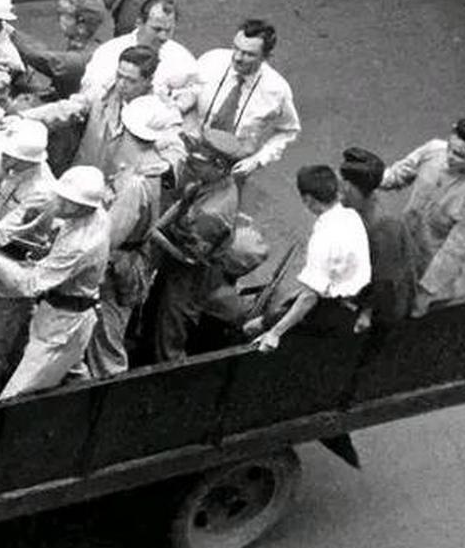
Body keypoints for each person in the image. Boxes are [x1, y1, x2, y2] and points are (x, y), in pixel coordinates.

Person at [0, 165, 114, 398]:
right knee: (73, 373)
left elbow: (29, 285)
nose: (58, 203)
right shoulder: (95, 216)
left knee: (15, 396)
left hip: (62, 325)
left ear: (85, 207)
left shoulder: (81, 244)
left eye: (67, 202)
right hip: (68, 314)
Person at [90, 94, 179, 377]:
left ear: (127, 129)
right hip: (136, 256)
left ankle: (109, 387)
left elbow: (111, 236)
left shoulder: (136, 183)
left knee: (107, 334)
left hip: (120, 263)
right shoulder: (156, 166)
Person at [0, 116, 56, 396]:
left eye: (9, 156)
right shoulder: (14, 169)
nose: (3, 158)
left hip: (15, 270)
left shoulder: (41, 192)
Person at [247, 165, 370, 351]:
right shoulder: (352, 217)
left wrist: (275, 332)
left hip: (327, 312)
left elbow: (309, 298)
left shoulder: (323, 237)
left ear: (308, 200)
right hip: (352, 303)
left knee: (252, 328)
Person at [381, 119, 465, 314]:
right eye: (450, 148)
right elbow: (397, 175)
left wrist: (426, 293)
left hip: (432, 272)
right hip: (402, 255)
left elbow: (454, 251)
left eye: (459, 155)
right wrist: (370, 178)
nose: (449, 157)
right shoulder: (433, 150)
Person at [144, 138, 240, 361]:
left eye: (198, 162)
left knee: (171, 326)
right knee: (155, 311)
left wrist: (154, 234)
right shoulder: (214, 182)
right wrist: (159, 225)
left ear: (220, 166)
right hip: (181, 253)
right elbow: (184, 201)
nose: (191, 165)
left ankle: (169, 371)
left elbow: (188, 258)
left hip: (190, 274)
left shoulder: (212, 213)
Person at [25, 43, 169, 176]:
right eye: (119, 75)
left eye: (131, 80)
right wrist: (25, 117)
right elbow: (67, 108)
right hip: (83, 179)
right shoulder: (102, 93)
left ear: (148, 80)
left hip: (121, 191)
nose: (121, 84)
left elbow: (173, 150)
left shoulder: (160, 112)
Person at [185, 18, 300, 180]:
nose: (238, 58)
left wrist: (258, 160)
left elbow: (288, 130)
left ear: (266, 57)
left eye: (249, 54)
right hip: (192, 149)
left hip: (232, 165)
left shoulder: (277, 90)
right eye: (236, 48)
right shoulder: (210, 61)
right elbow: (185, 94)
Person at [337, 147, 419, 333]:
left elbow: (386, 283)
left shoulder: (383, 227)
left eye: (343, 185)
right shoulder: (361, 210)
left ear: (349, 188)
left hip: (382, 309)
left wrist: (366, 312)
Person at [80, 0, 197, 106]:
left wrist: (182, 101)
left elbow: (196, 90)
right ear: (139, 23)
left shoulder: (182, 58)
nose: (163, 37)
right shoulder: (109, 53)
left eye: (169, 30)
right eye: (157, 29)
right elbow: (90, 93)